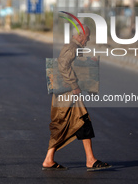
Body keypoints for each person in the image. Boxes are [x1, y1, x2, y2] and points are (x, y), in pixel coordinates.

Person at [42, 24, 111, 171]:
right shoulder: (71, 47)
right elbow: (63, 66)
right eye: (87, 36)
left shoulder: (75, 47)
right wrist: (74, 85)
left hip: (70, 95)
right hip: (67, 95)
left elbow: (77, 68)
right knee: (66, 124)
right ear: (80, 35)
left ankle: (88, 159)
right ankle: (87, 160)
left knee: (81, 122)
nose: (89, 39)